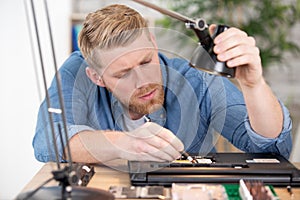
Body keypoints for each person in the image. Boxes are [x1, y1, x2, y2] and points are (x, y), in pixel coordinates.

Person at [33, 4, 292, 164]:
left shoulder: (193, 79)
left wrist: (253, 84)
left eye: (146, 62)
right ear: (96, 77)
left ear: (154, 44)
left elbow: (273, 148)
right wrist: (127, 144)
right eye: (122, 74)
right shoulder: (77, 71)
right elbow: (48, 141)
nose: (143, 82)